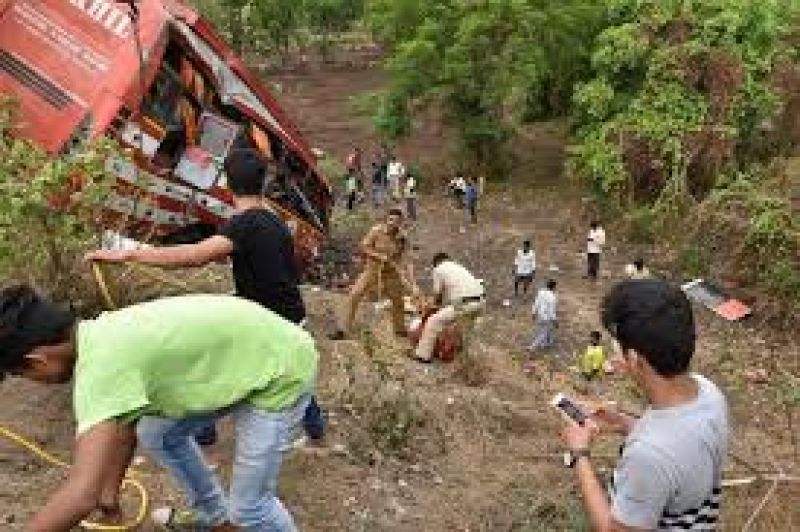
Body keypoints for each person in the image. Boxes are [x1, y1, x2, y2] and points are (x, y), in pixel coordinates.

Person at [0, 287, 317, 531]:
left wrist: (93, 496)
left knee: (250, 509)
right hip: (251, 350)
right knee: (158, 432)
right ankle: (214, 516)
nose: (31, 381)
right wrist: (109, 498)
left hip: (281, 369)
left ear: (38, 359)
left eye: (21, 374)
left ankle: (235, 516)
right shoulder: (98, 335)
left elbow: (80, 495)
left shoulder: (101, 372)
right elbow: (125, 430)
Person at [86, 149, 325, 446]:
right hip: (289, 314)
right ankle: (315, 425)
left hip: (265, 321)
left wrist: (130, 253)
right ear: (263, 183)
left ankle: (203, 430)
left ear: (226, 182)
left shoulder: (245, 224)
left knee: (221, 366)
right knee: (290, 365)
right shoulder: (273, 219)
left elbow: (195, 256)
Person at [559, 279, 729, 532]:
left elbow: (612, 529)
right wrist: (625, 424)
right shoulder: (708, 393)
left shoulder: (648, 457)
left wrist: (579, 455)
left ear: (634, 359)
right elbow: (682, 446)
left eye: (617, 344)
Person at [330, 208, 416, 340]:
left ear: (400, 223)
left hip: (391, 274)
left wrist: (410, 279)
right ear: (386, 220)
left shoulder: (402, 238)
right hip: (371, 270)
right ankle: (342, 329)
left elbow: (406, 259)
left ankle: (400, 329)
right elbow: (364, 247)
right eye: (391, 220)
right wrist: (378, 256)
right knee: (354, 295)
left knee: (398, 301)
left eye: (396, 221)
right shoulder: (376, 231)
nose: (393, 223)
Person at [410, 253, 485, 363]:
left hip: (464, 302)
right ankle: (465, 361)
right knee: (466, 330)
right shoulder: (458, 267)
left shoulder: (438, 269)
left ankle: (422, 355)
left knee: (433, 321)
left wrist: (431, 309)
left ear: (436, 263)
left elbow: (437, 295)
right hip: (480, 301)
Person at [528, 279, 558, 352]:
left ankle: (545, 344)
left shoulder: (541, 292)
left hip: (539, 315)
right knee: (544, 333)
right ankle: (533, 346)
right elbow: (551, 311)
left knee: (542, 330)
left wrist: (533, 312)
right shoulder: (553, 297)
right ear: (554, 287)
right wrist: (555, 321)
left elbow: (536, 303)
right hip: (547, 318)